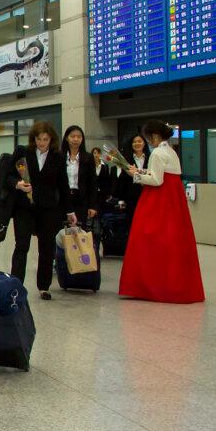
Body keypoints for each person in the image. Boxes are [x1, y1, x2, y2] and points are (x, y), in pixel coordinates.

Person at [119, 121, 204, 303]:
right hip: (173, 200)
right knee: (172, 241)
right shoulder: (171, 151)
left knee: (145, 239)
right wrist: (141, 171)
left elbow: (156, 180)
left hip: (157, 200)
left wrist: (134, 174)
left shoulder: (157, 153)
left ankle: (146, 285)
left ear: (154, 136)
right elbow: (161, 174)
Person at [8, 121, 77, 300]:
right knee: (21, 246)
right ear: (33, 139)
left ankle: (44, 286)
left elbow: (63, 185)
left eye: (45, 139)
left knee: (47, 248)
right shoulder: (23, 153)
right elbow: (8, 175)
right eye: (38, 139)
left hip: (48, 208)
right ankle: (15, 286)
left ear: (51, 139)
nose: (42, 143)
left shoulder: (58, 157)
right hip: (24, 207)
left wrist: (70, 211)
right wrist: (18, 184)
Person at [61, 125, 98, 225]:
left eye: (79, 137)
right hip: (63, 198)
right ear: (66, 138)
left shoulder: (88, 157)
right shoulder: (59, 156)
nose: (76, 139)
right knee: (62, 232)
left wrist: (92, 206)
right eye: (72, 136)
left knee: (79, 231)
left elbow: (93, 183)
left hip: (81, 199)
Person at [91, 146, 116, 212]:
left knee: (102, 208)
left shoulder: (105, 166)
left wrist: (108, 192)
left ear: (100, 154)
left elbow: (107, 180)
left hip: (103, 191)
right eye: (94, 153)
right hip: (92, 191)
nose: (96, 155)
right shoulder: (89, 165)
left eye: (98, 153)